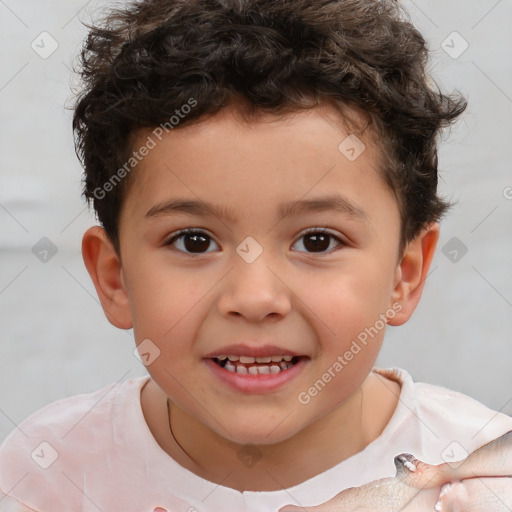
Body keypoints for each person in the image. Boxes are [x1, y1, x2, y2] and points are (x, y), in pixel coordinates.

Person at [0, 0, 511, 511]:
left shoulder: (485, 473)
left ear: (405, 274)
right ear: (116, 278)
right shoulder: (46, 472)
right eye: (193, 241)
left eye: (317, 241)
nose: (254, 298)